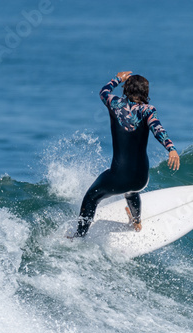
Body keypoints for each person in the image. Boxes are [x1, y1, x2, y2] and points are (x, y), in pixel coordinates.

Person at [75, 71, 180, 237]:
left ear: (125, 90)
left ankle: (79, 237)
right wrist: (171, 148)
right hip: (141, 179)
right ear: (146, 92)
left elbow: (103, 91)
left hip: (117, 178)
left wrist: (117, 79)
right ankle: (136, 221)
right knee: (131, 190)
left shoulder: (113, 103)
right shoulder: (148, 110)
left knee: (91, 198)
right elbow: (157, 128)